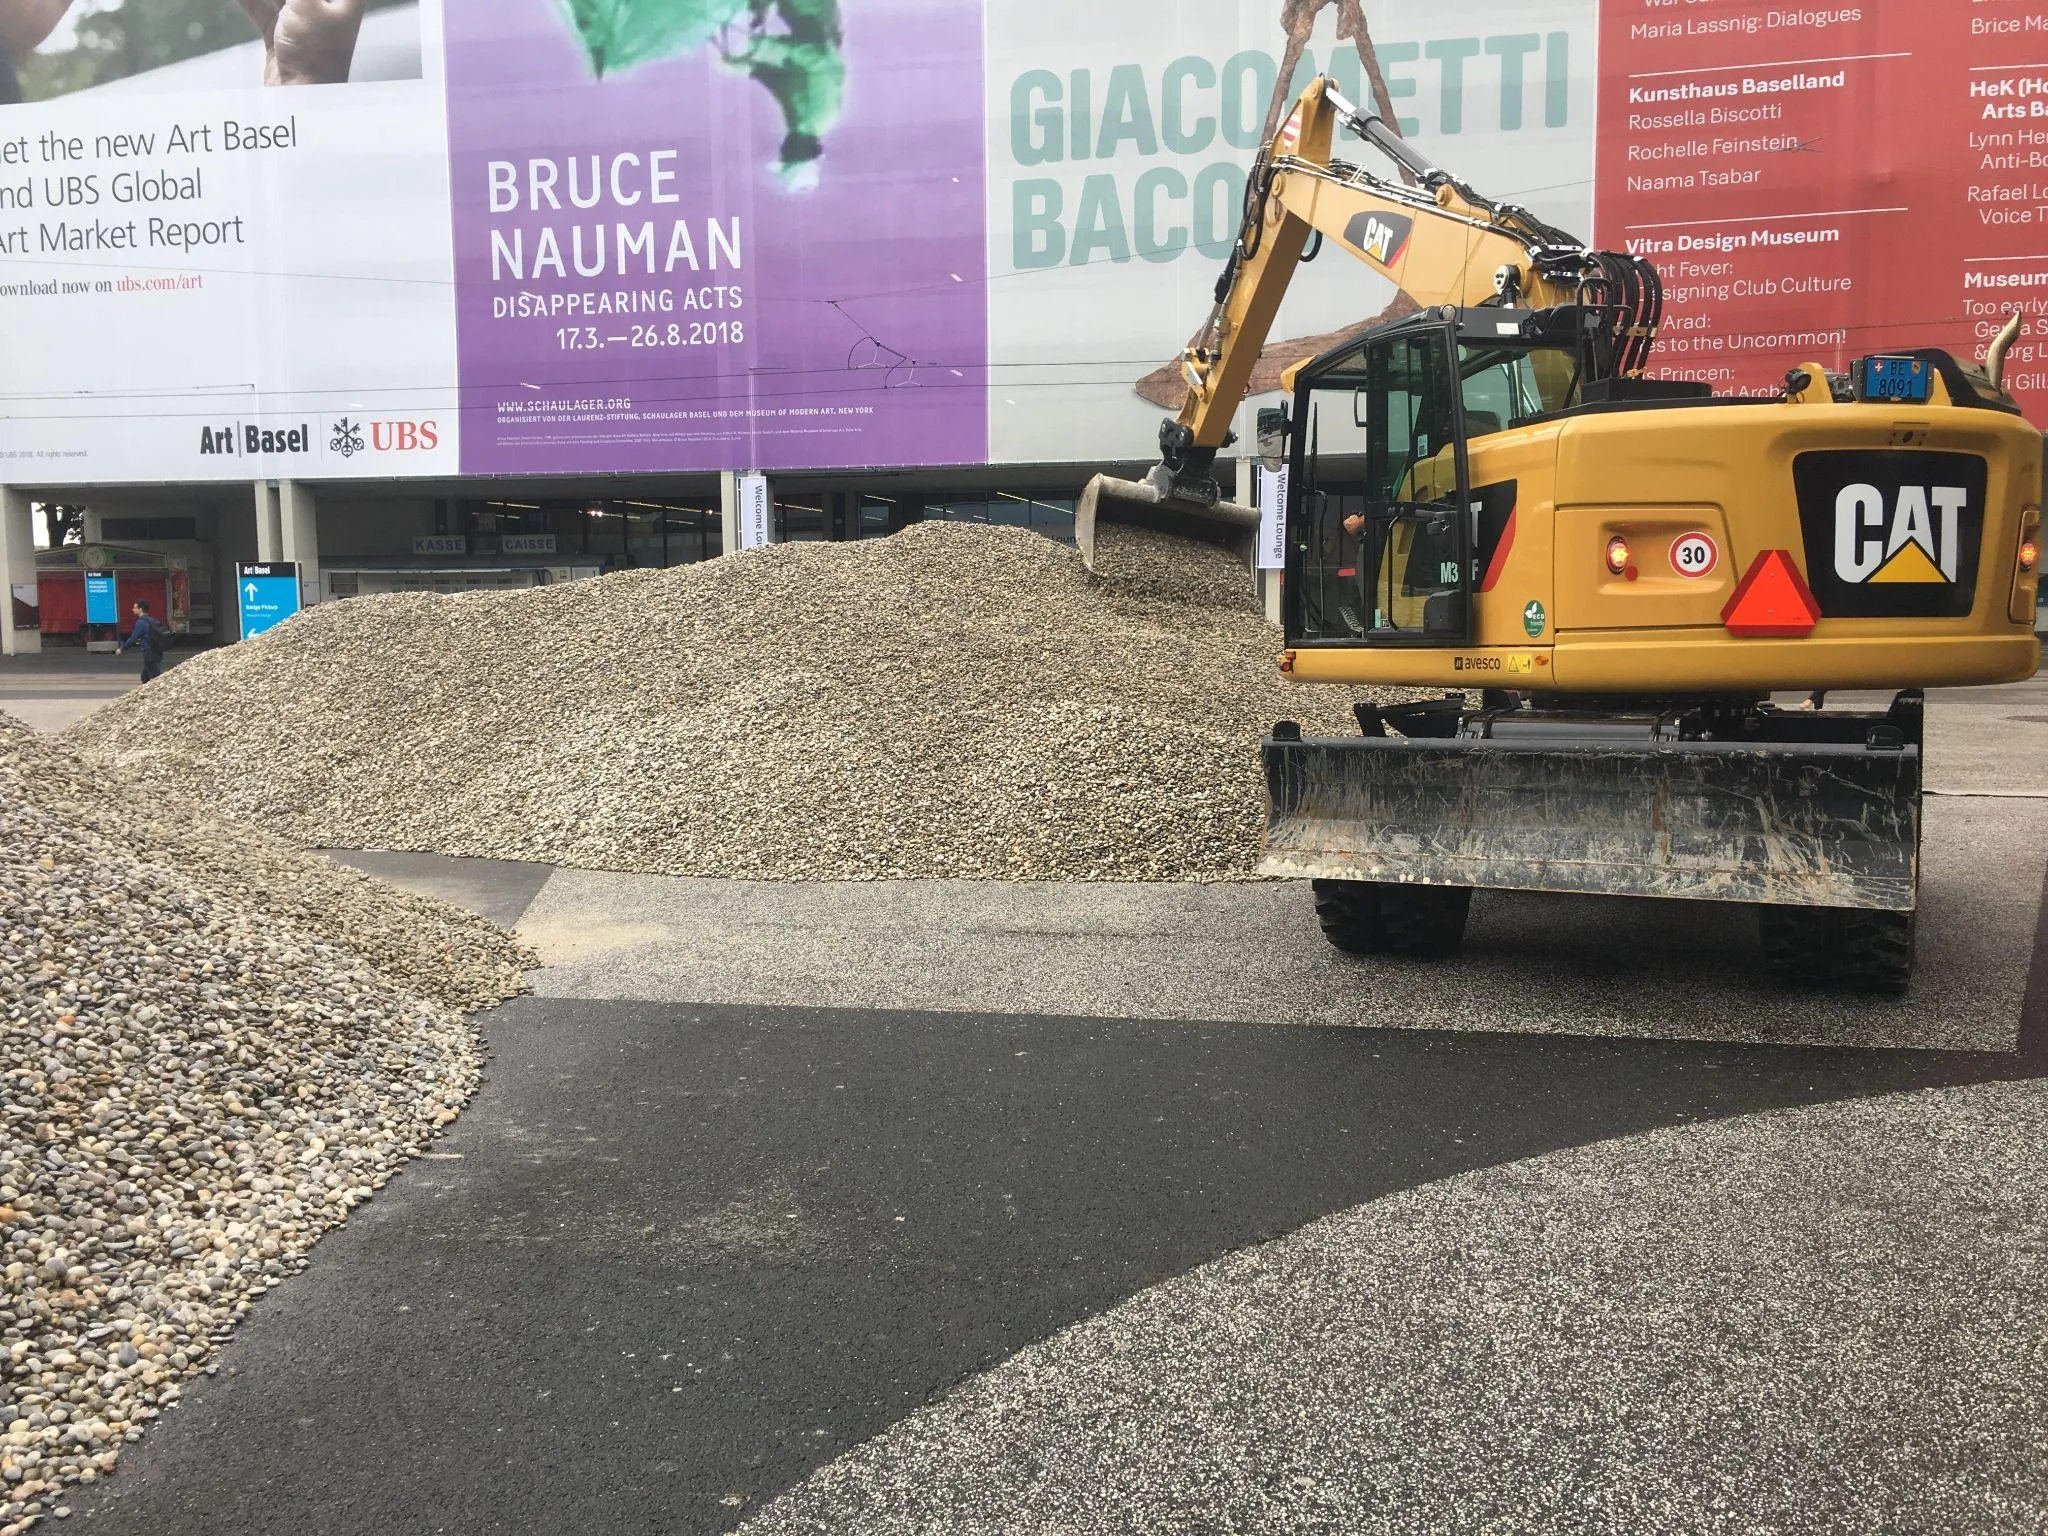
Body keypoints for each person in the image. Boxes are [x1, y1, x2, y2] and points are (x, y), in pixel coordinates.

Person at [117, 599, 168, 684]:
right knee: (145, 677)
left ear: (140, 609)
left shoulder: (141, 622)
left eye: (135, 608)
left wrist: (122, 648)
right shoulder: (152, 620)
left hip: (148, 652)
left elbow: (133, 638)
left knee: (155, 677)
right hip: (157, 651)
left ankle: (160, 693)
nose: (133, 609)